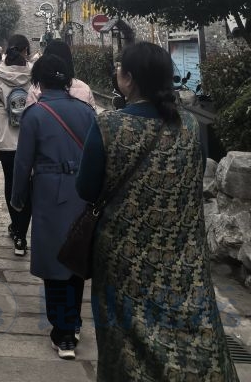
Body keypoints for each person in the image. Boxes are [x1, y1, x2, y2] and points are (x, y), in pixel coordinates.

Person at [77, 42, 239, 381]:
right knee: (187, 334)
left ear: (128, 79)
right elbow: (195, 179)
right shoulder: (189, 126)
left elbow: (86, 189)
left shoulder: (108, 126)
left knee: (124, 339)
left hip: (123, 256)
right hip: (183, 258)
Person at [11, 54, 97, 361]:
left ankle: (62, 333)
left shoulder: (35, 114)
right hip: (82, 191)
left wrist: (18, 198)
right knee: (76, 256)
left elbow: (23, 163)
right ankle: (73, 323)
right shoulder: (87, 111)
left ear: (40, 81)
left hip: (49, 192)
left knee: (54, 261)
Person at [0, 34, 33, 256]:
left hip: (6, 136)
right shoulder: (33, 72)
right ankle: (22, 232)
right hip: (29, 135)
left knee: (11, 182)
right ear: (25, 50)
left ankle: (16, 231)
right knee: (28, 184)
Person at [25, 39, 96, 111]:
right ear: (69, 61)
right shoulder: (84, 88)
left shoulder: (35, 89)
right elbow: (93, 115)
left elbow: (29, 115)